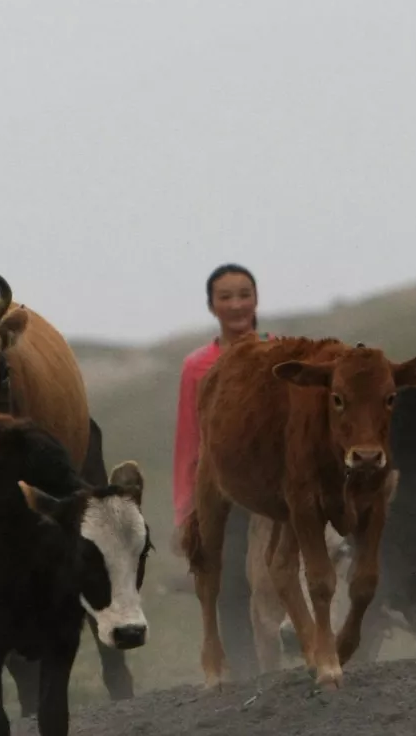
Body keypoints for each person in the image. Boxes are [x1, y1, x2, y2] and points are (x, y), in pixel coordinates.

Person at [172, 263, 267, 678]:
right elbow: (190, 441)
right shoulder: (197, 366)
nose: (236, 304)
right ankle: (248, 677)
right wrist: (184, 510)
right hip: (224, 492)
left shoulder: (278, 353)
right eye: (225, 297)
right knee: (230, 585)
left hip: (274, 489)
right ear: (211, 306)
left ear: (256, 300)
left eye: (244, 294)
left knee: (288, 576)